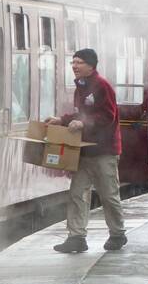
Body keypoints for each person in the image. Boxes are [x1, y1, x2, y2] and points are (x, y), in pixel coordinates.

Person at [49, 49, 127, 253]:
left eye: (79, 62)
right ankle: (76, 237)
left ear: (91, 66)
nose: (74, 66)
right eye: (72, 62)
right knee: (77, 193)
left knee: (108, 194)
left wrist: (83, 123)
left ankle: (118, 234)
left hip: (104, 151)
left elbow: (107, 116)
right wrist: (63, 120)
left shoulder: (102, 85)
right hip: (84, 151)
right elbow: (80, 112)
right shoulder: (81, 86)